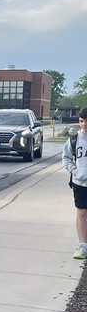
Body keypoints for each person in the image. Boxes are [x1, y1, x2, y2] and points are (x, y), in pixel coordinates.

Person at [61, 106, 87, 260]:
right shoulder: (74, 139)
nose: (84, 125)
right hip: (80, 183)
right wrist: (76, 171)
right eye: (81, 121)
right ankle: (83, 245)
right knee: (82, 213)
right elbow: (66, 158)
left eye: (86, 122)